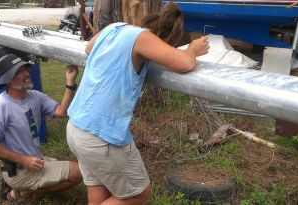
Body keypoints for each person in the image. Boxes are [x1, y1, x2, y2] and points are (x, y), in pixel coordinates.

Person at [66, 2, 209, 205]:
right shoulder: (143, 38)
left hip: (77, 127)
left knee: (99, 194)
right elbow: (184, 63)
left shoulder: (115, 27)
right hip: (101, 136)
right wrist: (193, 49)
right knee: (138, 194)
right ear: (167, 39)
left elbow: (90, 48)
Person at [0, 54, 82, 204]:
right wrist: (24, 160)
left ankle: (20, 189)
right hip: (18, 168)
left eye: (25, 69)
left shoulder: (35, 96)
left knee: (73, 171)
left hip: (33, 161)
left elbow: (61, 112)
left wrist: (70, 83)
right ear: (8, 79)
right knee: (79, 173)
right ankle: (21, 191)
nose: (27, 73)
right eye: (19, 71)